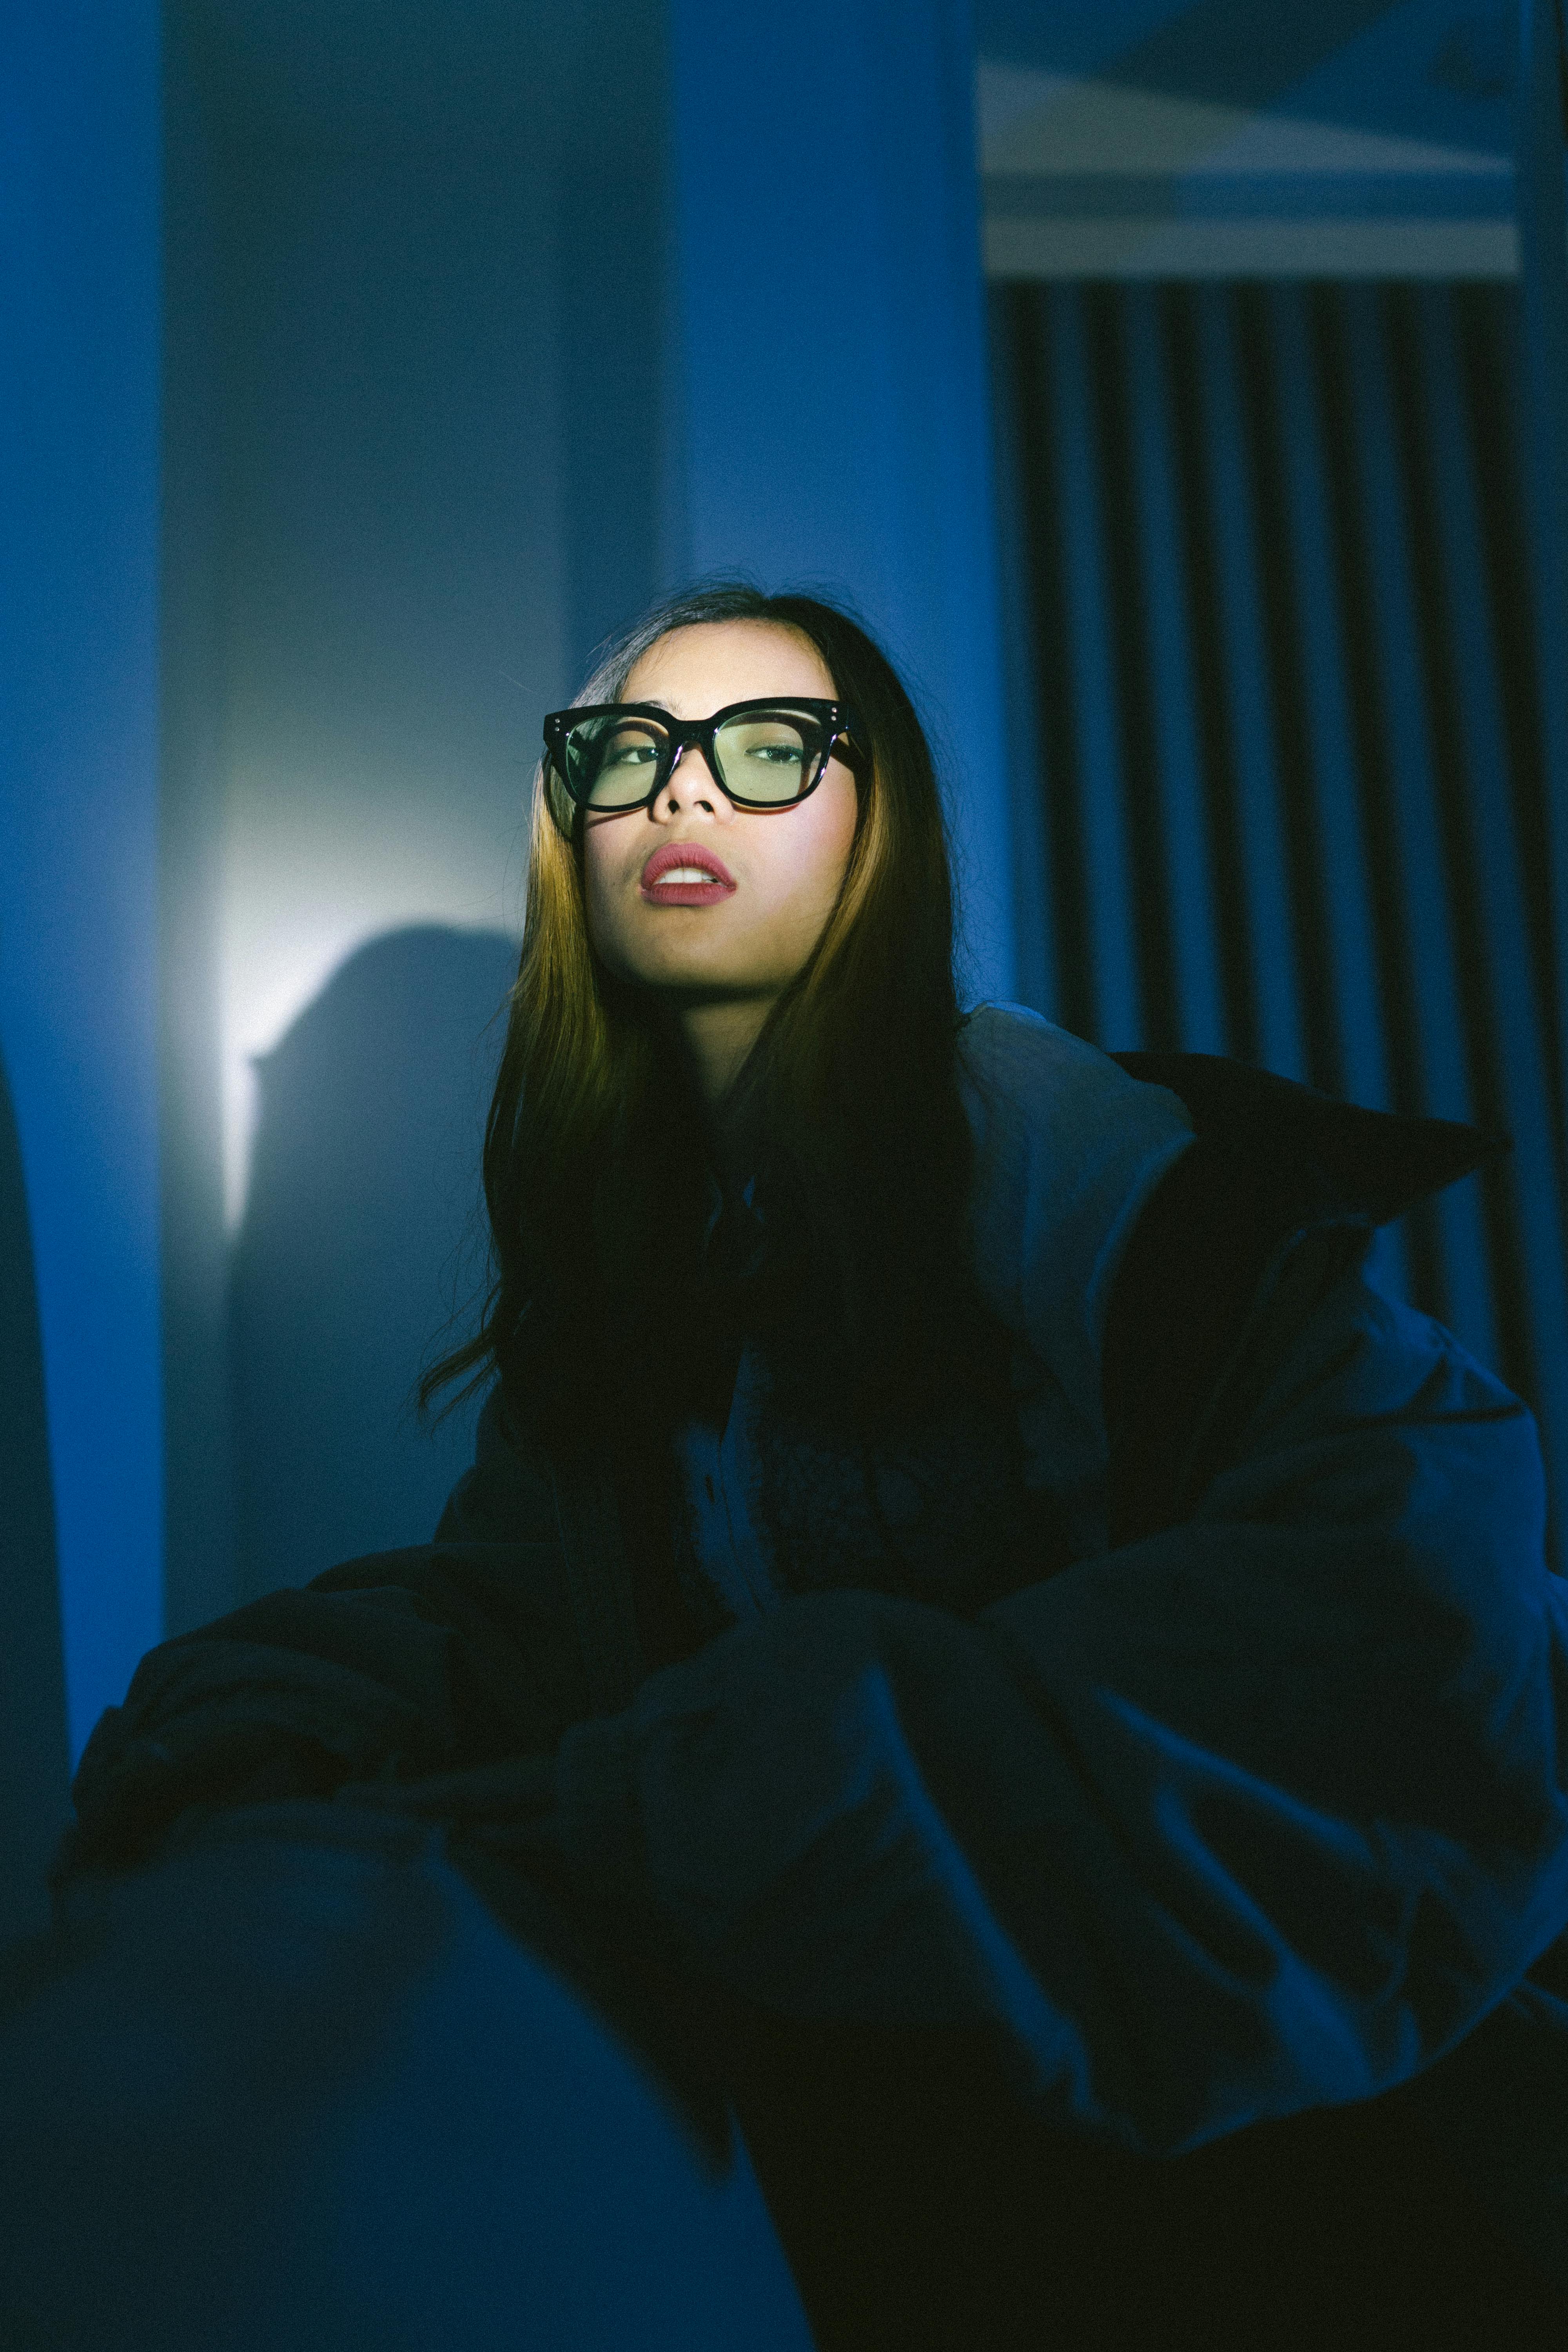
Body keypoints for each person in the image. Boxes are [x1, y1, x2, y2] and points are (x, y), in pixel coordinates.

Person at [7, 581, 1568, 2348]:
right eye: (629, 754)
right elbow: (521, 1620)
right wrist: (260, 1710)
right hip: (936, 2201)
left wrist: (737, 1784)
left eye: (766, 751)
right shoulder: (647, 1254)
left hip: (1295, 2179)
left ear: (874, 823)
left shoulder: (1026, 1130)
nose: (681, 796)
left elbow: (1414, 1570)